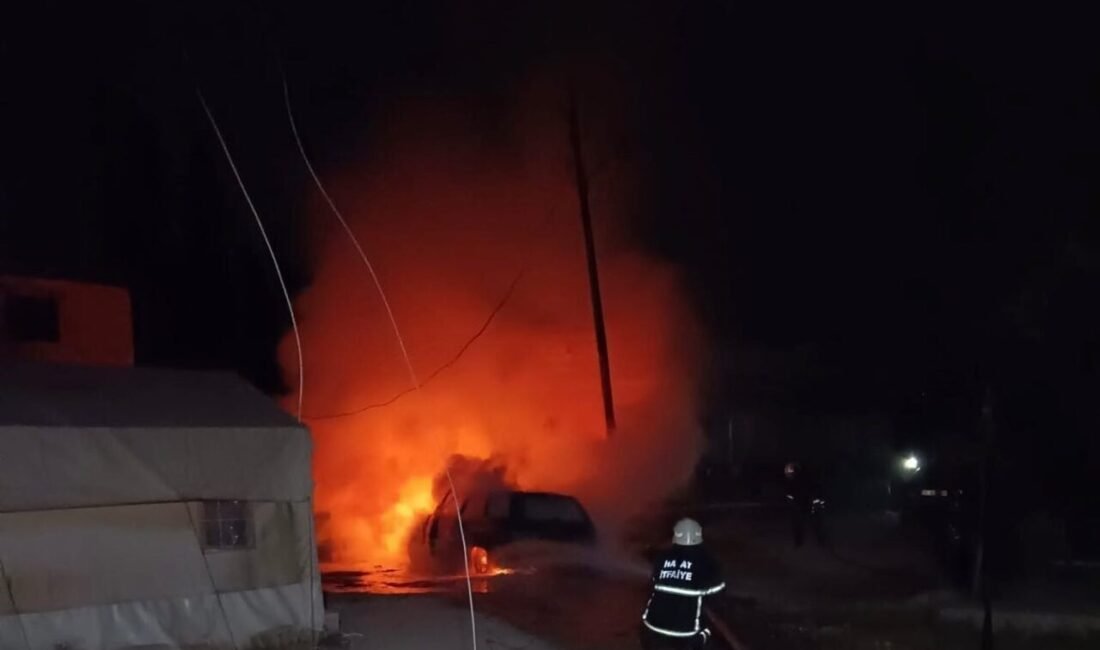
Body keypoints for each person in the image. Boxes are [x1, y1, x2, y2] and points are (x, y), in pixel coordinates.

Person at [640, 518, 725, 649]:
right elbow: (718, 591)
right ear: (699, 535)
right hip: (685, 636)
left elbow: (653, 582)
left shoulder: (662, 557)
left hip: (651, 629)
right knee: (710, 631)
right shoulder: (706, 560)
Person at [784, 461, 826, 547]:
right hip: (802, 505)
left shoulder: (801, 479)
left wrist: (817, 502)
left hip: (805, 505)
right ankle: (802, 542)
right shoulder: (799, 479)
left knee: (811, 524)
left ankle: (817, 541)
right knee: (806, 524)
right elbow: (790, 494)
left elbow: (815, 491)